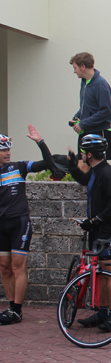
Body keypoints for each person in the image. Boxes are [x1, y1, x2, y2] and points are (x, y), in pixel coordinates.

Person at [67, 134, 111, 332]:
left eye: (83, 152)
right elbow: (83, 179)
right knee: (100, 273)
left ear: (90, 154)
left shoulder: (107, 173)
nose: (82, 155)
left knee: (108, 272)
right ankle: (102, 313)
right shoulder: (96, 170)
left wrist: (94, 221)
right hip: (98, 228)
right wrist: (72, 166)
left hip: (106, 229)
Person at [0, 125, 53, 325]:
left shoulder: (19, 167)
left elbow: (48, 163)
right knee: (4, 267)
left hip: (19, 222)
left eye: (8, 149)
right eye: (3, 150)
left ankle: (17, 310)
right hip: (1, 224)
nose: (8, 153)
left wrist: (40, 142)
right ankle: (11, 307)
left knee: (17, 266)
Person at [69, 52, 111, 160]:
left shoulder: (101, 84)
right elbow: (86, 107)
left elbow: (105, 111)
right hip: (86, 131)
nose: (74, 71)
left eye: (75, 68)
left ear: (83, 66)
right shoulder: (84, 82)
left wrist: (83, 124)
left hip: (99, 132)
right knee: (82, 163)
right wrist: (76, 118)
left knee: (97, 165)